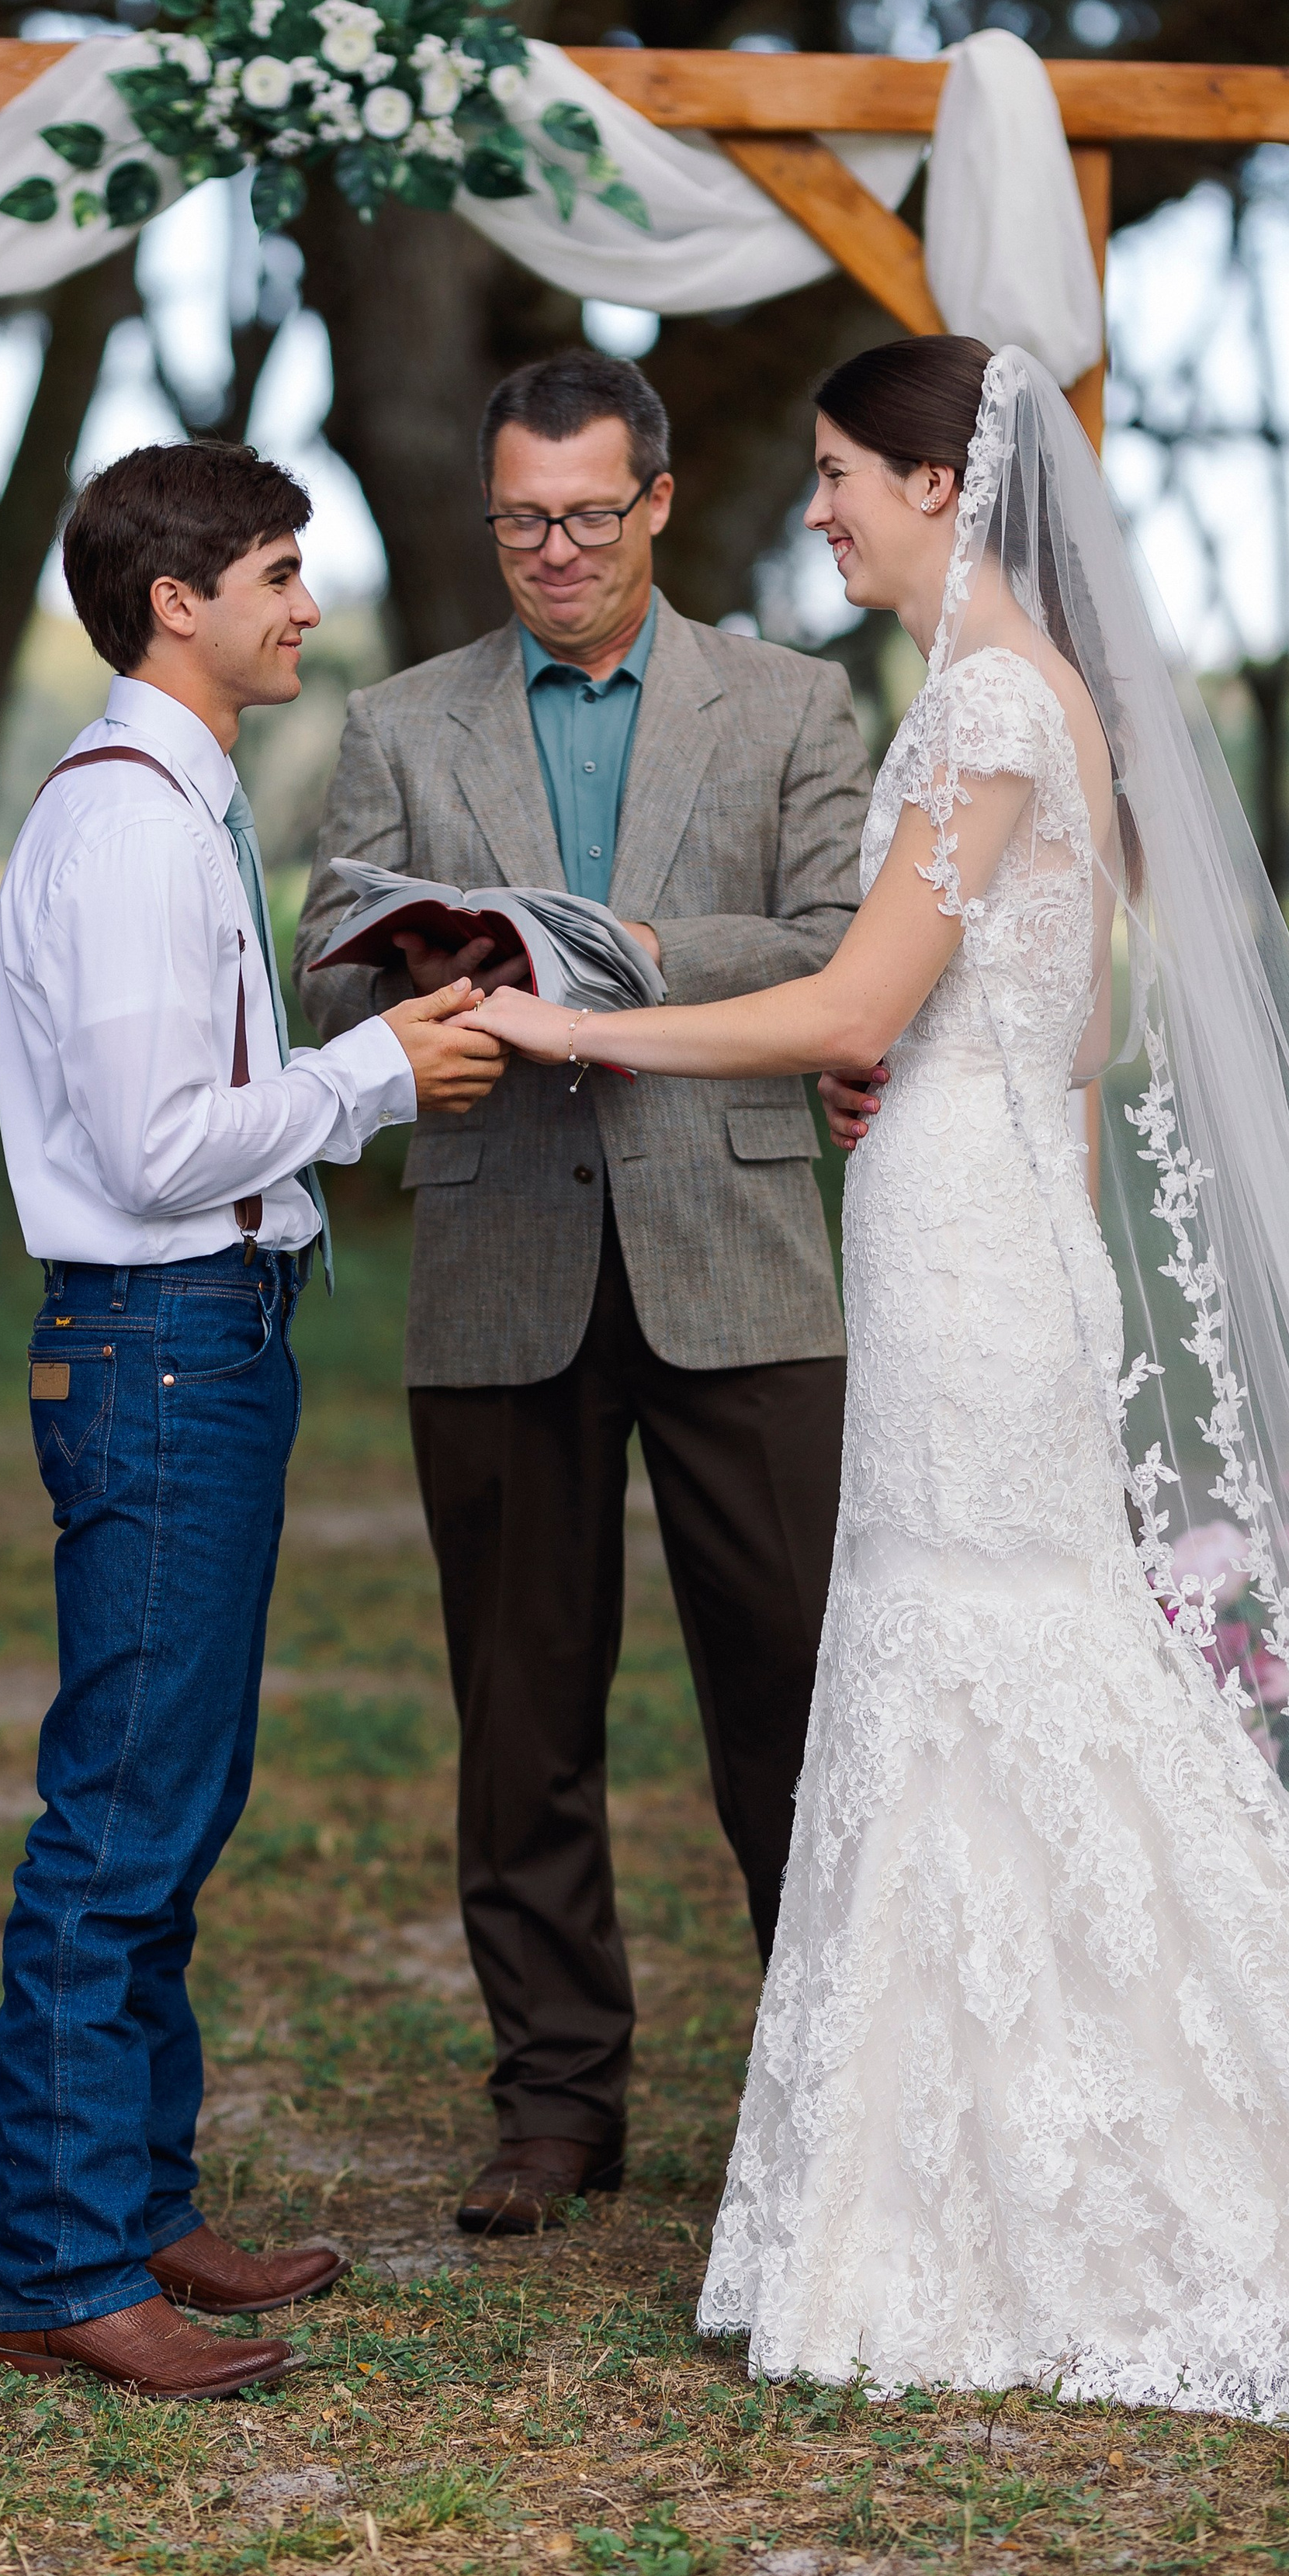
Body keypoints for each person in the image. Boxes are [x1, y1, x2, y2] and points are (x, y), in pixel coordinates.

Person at [476, 335, 1289, 2422]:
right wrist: (906, 1072)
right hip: (985, 1225)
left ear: (946, 486)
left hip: (977, 1271)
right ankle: (958, 2155)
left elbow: (856, 988)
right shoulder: (1049, 710)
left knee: (987, 1665)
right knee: (977, 1677)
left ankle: (1027, 2173)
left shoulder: (993, 702)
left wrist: (577, 1032)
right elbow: (1047, 1035)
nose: (822, 506)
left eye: (846, 473)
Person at [296, 350, 876, 2237]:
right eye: (517, 519)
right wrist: (431, 976)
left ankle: (833, 2096)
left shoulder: (794, 703)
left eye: (585, 515)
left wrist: (628, 951)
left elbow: (834, 945)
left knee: (790, 1701)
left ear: (654, 500)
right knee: (519, 1711)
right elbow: (325, 957)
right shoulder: (399, 718)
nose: (549, 551)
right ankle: (554, 2107)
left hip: (742, 1254)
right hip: (496, 1257)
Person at [0, 441, 508, 2401]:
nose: (306, 605)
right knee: (116, 1817)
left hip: (210, 1332)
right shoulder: (126, 826)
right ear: (173, 603)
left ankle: (134, 2204)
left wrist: (372, 1067)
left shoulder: (180, 803)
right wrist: (369, 1065)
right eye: (279, 573)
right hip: (156, 1343)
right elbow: (149, 1149)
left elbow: (209, 1104)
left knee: (174, 1804)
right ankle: (55, 2265)